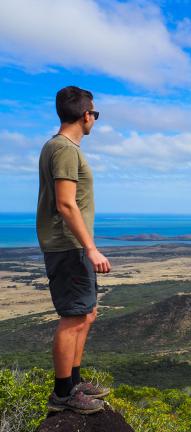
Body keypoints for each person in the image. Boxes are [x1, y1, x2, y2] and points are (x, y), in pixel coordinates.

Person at [37, 86, 111, 414]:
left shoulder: (59, 147)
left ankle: (75, 381)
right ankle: (63, 393)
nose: (94, 118)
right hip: (69, 246)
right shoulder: (65, 149)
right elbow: (66, 204)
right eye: (94, 113)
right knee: (73, 317)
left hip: (72, 246)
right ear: (85, 115)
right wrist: (91, 248)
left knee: (87, 313)